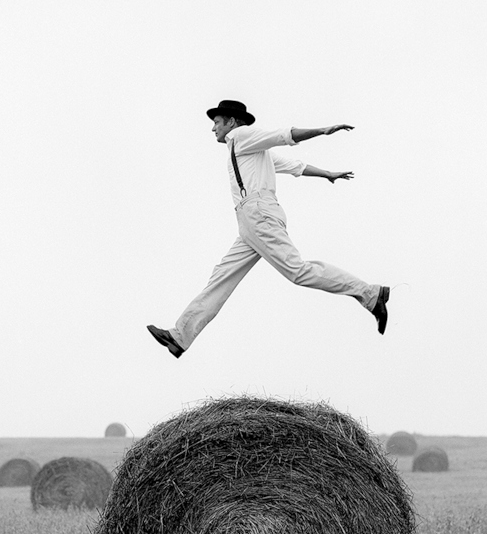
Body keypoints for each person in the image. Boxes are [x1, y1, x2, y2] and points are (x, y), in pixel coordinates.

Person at [147, 99, 389, 358]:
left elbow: (283, 136)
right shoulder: (250, 151)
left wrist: (321, 130)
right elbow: (293, 166)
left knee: (297, 271)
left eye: (217, 122)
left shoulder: (241, 136)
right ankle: (180, 335)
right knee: (222, 276)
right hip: (250, 222)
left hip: (258, 215)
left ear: (231, 121)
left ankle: (370, 293)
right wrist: (327, 173)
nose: (213, 128)